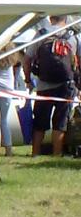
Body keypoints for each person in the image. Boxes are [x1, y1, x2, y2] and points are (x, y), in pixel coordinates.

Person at [30, 17, 77, 157]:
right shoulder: (72, 36)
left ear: (51, 18)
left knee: (39, 122)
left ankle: (35, 153)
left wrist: (27, 80)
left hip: (44, 85)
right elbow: (76, 61)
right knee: (60, 122)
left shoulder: (41, 34)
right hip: (66, 85)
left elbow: (27, 59)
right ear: (66, 19)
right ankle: (57, 154)